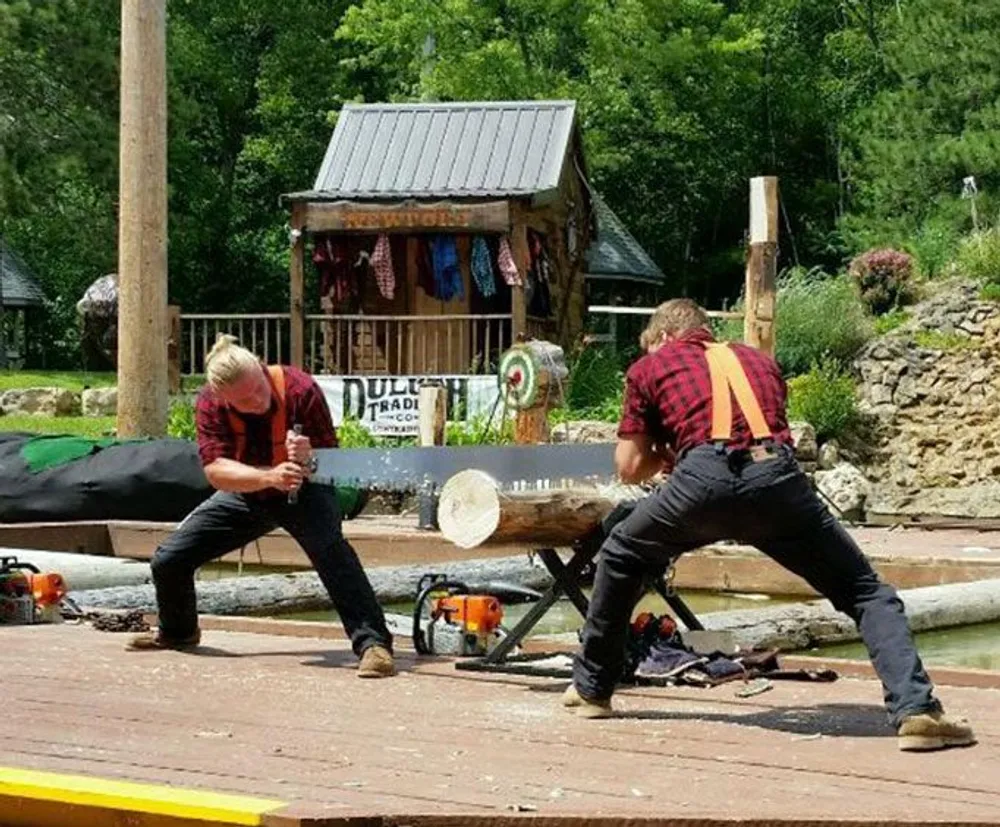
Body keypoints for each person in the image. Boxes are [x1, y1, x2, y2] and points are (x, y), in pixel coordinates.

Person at [563, 299, 975, 752]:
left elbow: (630, 467)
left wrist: (668, 455)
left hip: (700, 482)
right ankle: (916, 710)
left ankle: (592, 690)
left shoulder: (651, 366)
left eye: (651, 343)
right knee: (865, 591)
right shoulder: (760, 362)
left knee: (622, 552)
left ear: (663, 336)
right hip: (776, 480)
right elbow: (757, 427)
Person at [127, 335, 395, 679]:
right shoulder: (210, 403)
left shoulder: (299, 388)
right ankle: (178, 632)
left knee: (332, 554)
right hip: (251, 491)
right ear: (223, 399)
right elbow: (216, 471)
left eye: (258, 388)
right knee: (169, 560)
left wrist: (310, 457)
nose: (258, 400)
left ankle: (374, 645)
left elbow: (332, 462)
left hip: (306, 490)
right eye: (245, 400)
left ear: (260, 364)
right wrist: (268, 477)